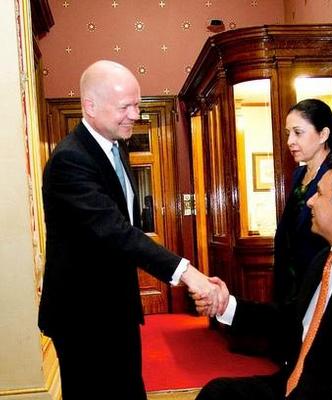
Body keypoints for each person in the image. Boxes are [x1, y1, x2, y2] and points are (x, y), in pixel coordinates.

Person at [38, 60, 224, 399]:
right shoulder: (71, 160)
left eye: (137, 104)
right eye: (126, 106)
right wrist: (187, 273)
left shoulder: (116, 148)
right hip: (84, 317)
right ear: (90, 106)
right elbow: (115, 232)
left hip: (115, 308)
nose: (135, 114)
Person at [195, 152, 332, 400]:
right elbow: (290, 321)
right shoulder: (325, 258)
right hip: (297, 382)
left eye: (320, 193)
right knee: (218, 394)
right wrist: (227, 306)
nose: (310, 201)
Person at [274, 98, 332, 304]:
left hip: (322, 281)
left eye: (298, 132)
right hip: (291, 282)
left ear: (323, 134)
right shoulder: (298, 174)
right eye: (288, 134)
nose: (290, 141)